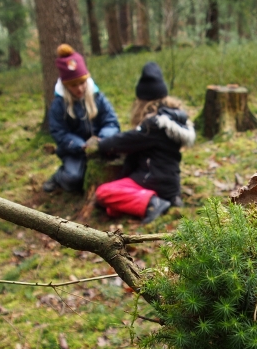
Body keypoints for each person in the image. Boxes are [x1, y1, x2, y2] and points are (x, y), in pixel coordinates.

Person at [94, 62, 194, 223]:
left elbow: (122, 141)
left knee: (103, 193)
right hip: (168, 183)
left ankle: (152, 203)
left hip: (151, 181)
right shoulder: (171, 120)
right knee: (111, 208)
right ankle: (160, 200)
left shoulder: (153, 126)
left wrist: (100, 144)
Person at [45, 44, 120, 193]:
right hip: (74, 150)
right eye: (73, 85)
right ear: (66, 86)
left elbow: (111, 122)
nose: (79, 89)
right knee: (74, 180)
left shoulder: (97, 97)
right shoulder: (59, 104)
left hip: (101, 145)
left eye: (81, 83)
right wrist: (80, 145)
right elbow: (59, 132)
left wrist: (102, 139)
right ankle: (59, 176)